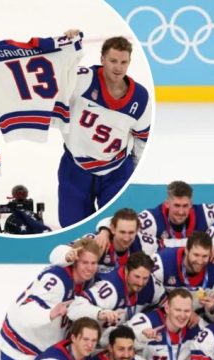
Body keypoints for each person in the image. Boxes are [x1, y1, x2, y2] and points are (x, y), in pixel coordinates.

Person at [57, 36, 151, 227]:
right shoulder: (83, 80)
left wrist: (135, 171)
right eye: (113, 61)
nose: (118, 67)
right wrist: (67, 45)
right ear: (102, 60)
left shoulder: (140, 98)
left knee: (116, 227)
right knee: (72, 228)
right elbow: (57, 76)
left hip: (116, 172)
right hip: (75, 168)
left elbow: (142, 139)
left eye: (124, 62)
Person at [0, 237, 101, 360]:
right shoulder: (57, 280)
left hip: (47, 350)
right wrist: (49, 313)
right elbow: (26, 312)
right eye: (84, 263)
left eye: (93, 263)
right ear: (75, 262)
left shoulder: (88, 282)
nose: (89, 268)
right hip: (20, 346)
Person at [68, 251, 164, 327]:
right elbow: (73, 309)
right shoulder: (110, 288)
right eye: (137, 277)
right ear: (126, 271)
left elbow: (168, 307)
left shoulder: (151, 285)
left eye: (145, 278)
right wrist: (100, 313)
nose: (141, 283)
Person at [50, 208, 158, 276]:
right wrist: (67, 255)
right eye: (122, 232)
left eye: (131, 233)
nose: (126, 238)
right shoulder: (95, 241)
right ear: (113, 228)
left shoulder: (146, 244)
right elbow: (54, 255)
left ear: (138, 230)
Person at [152, 231, 214, 323]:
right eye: (196, 255)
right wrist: (181, 310)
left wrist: (213, 308)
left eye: (205, 256)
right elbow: (150, 292)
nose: (200, 261)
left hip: (197, 319)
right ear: (186, 250)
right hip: (165, 314)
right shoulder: (162, 261)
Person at [136, 180, 214, 247]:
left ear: (191, 204)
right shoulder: (149, 220)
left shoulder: (205, 213)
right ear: (167, 203)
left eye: (185, 206)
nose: (181, 212)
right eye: (177, 205)